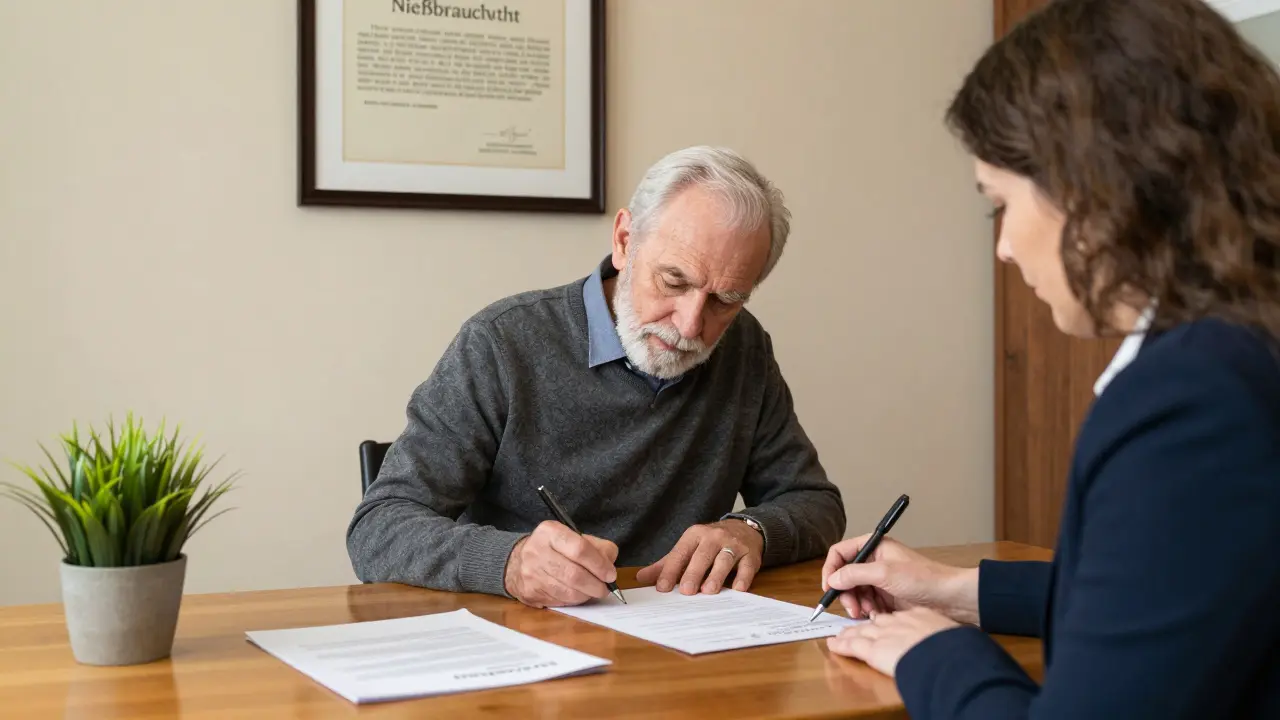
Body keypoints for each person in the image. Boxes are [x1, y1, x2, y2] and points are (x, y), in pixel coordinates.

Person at [820, 0, 1280, 717]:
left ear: (1092, 189)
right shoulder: (1243, 349)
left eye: (999, 203)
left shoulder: (1191, 399)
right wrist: (954, 591)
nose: (1003, 247)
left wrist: (933, 655)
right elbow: (1164, 591)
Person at [347, 146, 846, 608]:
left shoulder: (745, 350)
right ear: (625, 241)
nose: (691, 324)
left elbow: (815, 504)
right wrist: (510, 562)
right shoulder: (502, 343)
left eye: (726, 299)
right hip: (525, 651)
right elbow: (379, 527)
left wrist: (752, 529)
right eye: (674, 281)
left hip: (681, 646)